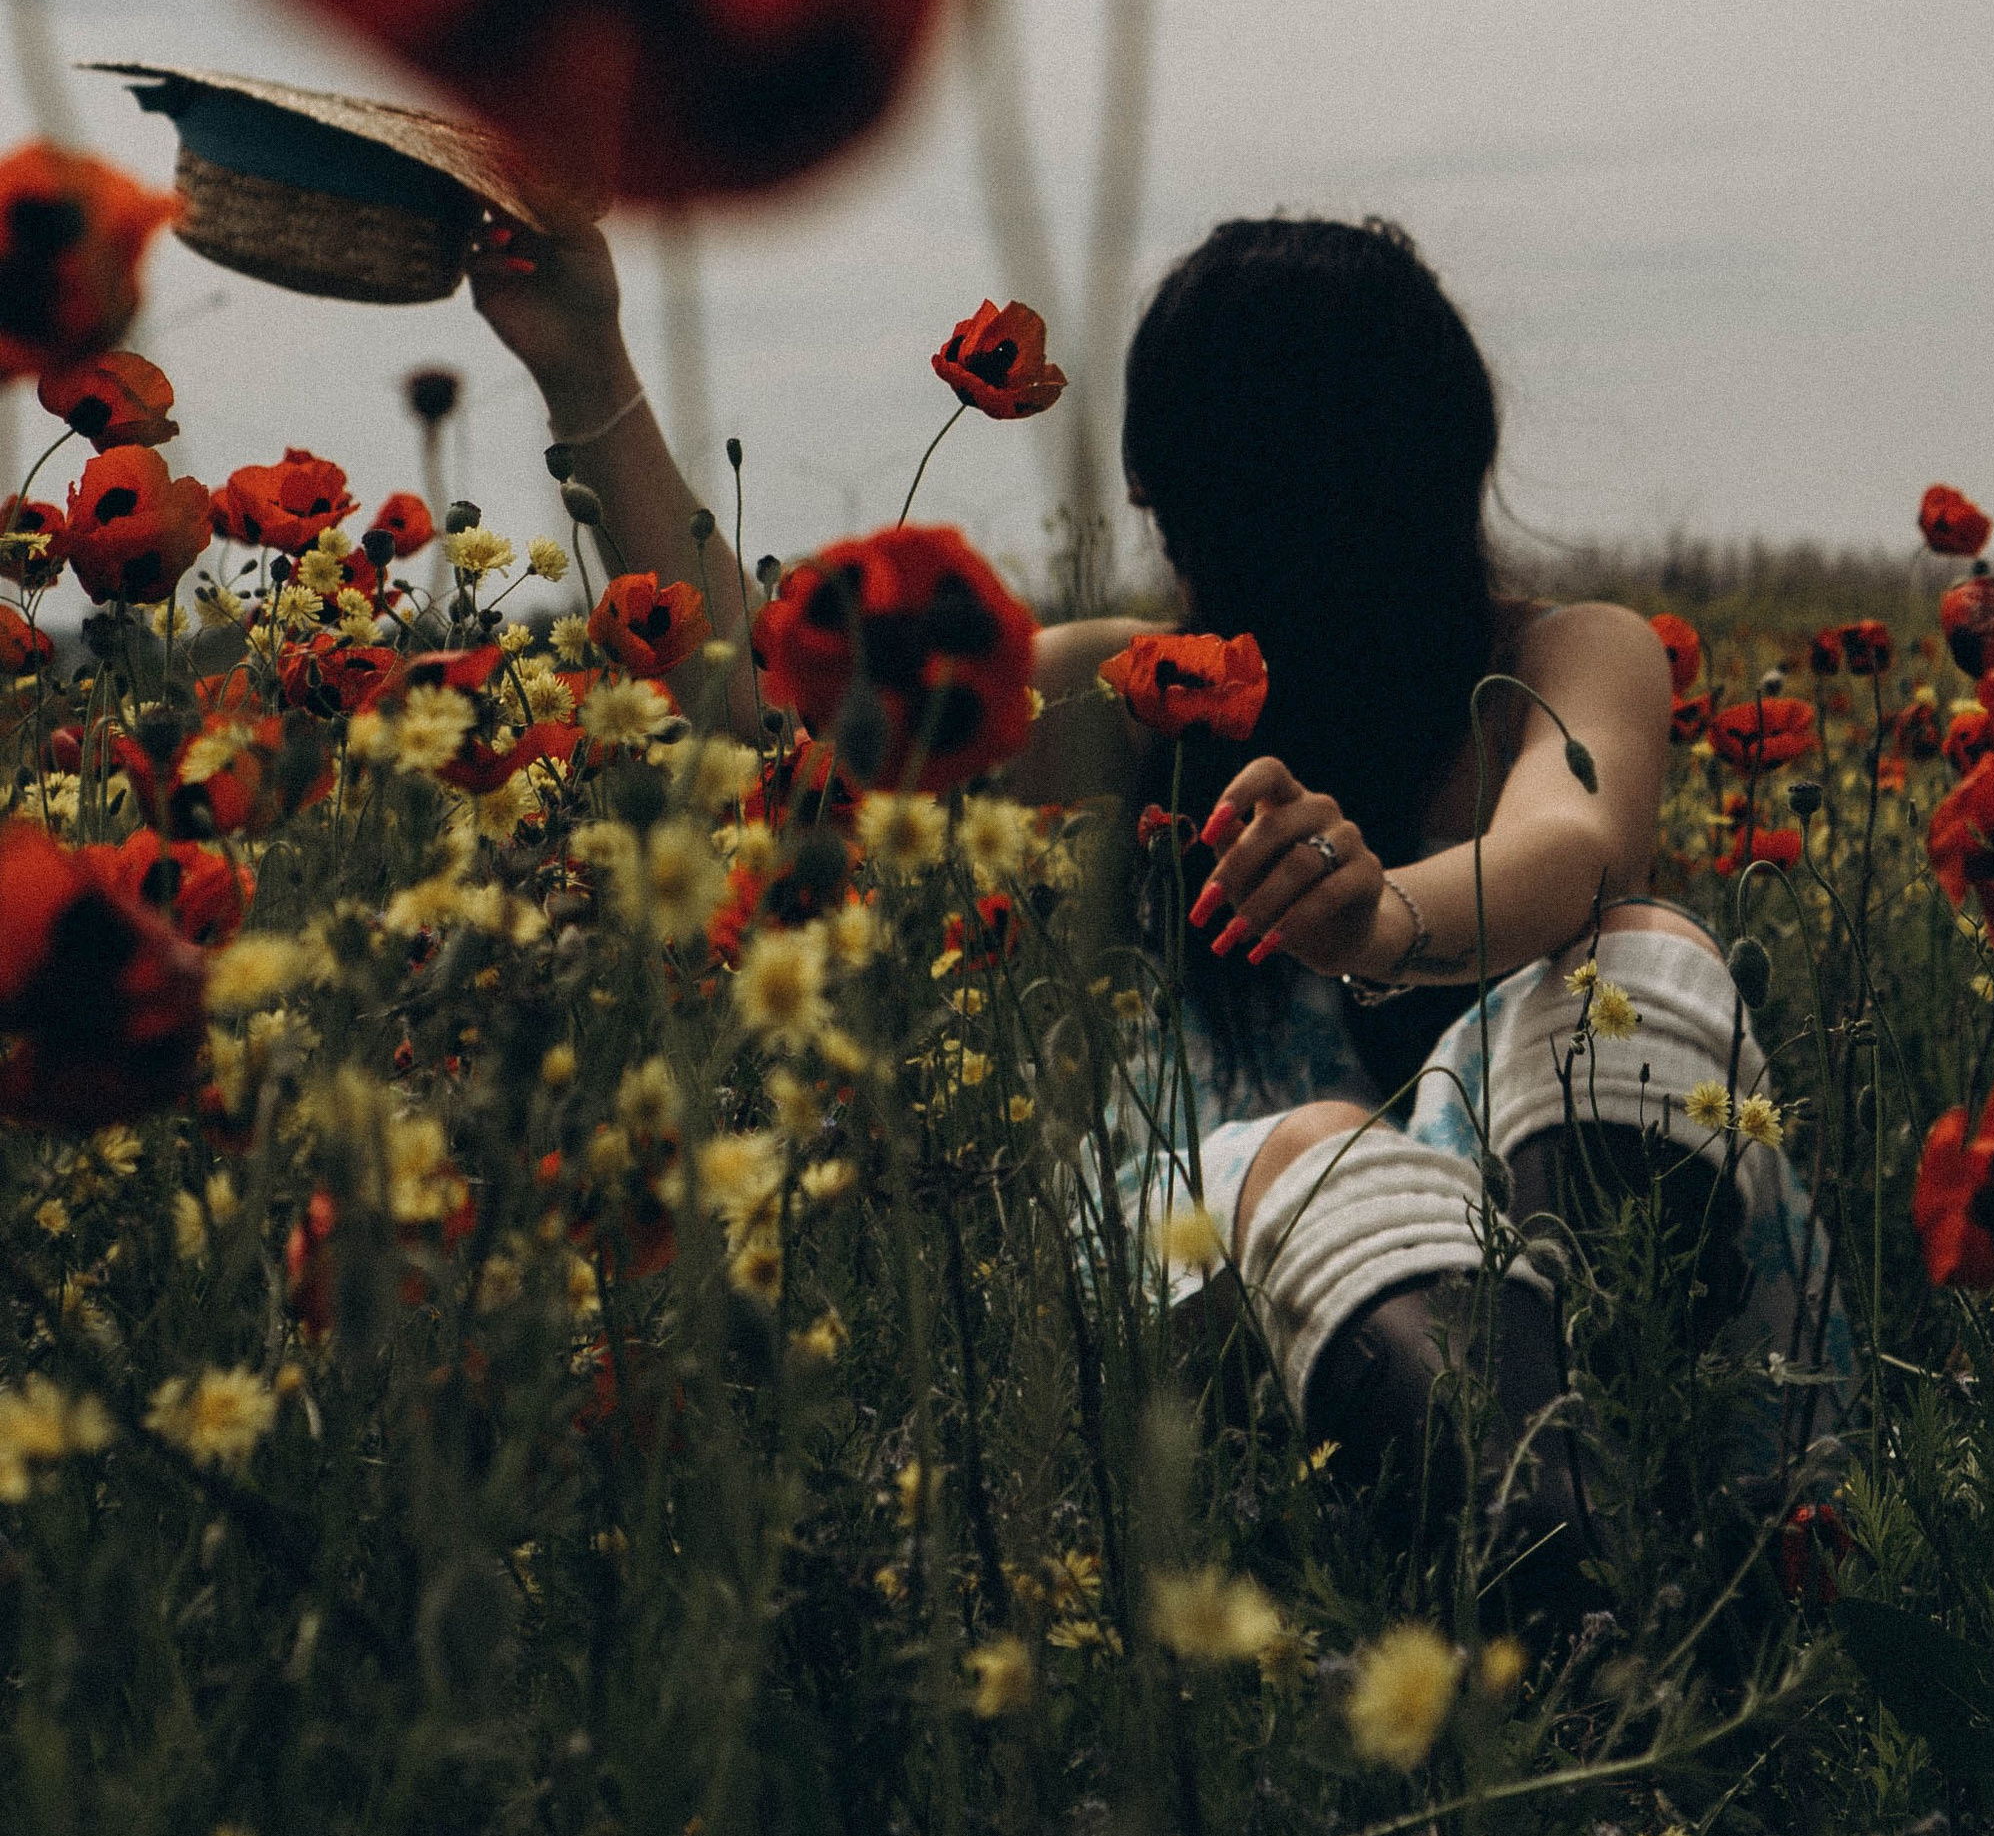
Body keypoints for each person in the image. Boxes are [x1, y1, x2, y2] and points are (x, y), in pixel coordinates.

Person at [471, 209, 1847, 1584]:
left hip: (1606, 1302)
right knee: (1306, 1147)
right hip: (1247, 1309)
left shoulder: (1570, 655)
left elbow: (1574, 839)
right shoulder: (1142, 698)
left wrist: (1381, 920)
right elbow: (771, 721)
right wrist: (589, 367)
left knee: (1646, 956)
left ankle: (1689, 1508)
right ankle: (1566, 1579)